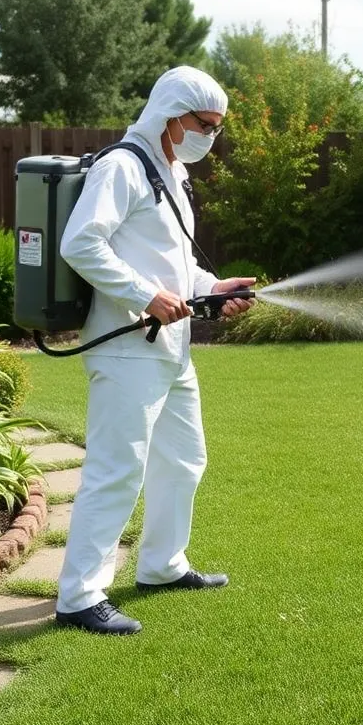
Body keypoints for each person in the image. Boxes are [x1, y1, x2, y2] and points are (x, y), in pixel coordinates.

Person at [54, 66, 255, 636]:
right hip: (125, 348)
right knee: (116, 471)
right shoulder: (123, 166)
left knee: (184, 460)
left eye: (217, 127)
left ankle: (163, 566)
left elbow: (172, 261)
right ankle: (78, 597)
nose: (210, 136)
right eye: (204, 124)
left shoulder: (170, 170)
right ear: (172, 116)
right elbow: (79, 243)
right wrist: (144, 295)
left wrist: (211, 288)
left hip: (170, 348)